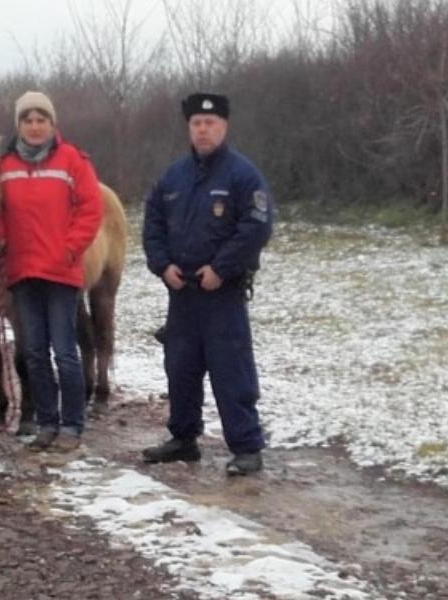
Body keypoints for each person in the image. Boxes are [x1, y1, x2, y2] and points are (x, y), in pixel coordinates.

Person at [141, 92, 274, 476]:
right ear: (189, 128)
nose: (203, 129)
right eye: (196, 123)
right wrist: (162, 266)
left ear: (224, 126)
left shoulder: (242, 175)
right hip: (181, 293)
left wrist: (221, 268)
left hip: (223, 293)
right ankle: (184, 439)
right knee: (180, 369)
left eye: (210, 123)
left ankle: (247, 447)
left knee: (231, 370)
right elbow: (153, 225)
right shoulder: (173, 177)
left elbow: (256, 227)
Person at [0, 91, 103, 453]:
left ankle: (72, 424)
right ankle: (47, 423)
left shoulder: (73, 161)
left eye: (41, 120)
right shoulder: (4, 167)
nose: (35, 127)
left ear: (53, 124)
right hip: (22, 272)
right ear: (18, 125)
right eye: (28, 120)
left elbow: (90, 210)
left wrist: (69, 248)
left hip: (60, 272)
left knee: (65, 351)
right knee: (34, 352)